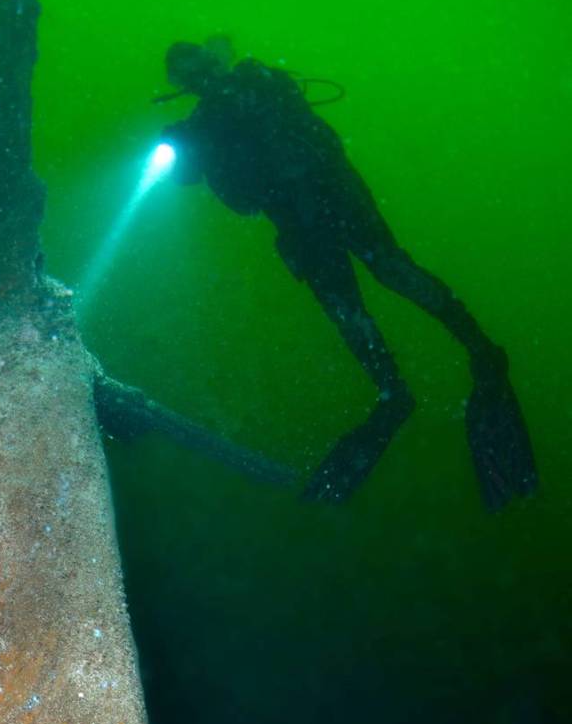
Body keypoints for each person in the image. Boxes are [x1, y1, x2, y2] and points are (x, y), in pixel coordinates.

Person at [159, 36, 537, 509]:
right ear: (184, 83)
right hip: (309, 216)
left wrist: (198, 133)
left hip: (327, 203)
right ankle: (404, 384)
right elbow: (206, 182)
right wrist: (183, 144)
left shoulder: (256, 83)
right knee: (354, 301)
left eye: (201, 68)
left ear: (214, 62)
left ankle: (461, 358)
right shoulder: (210, 121)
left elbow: (268, 147)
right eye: (190, 76)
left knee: (384, 277)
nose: (201, 79)